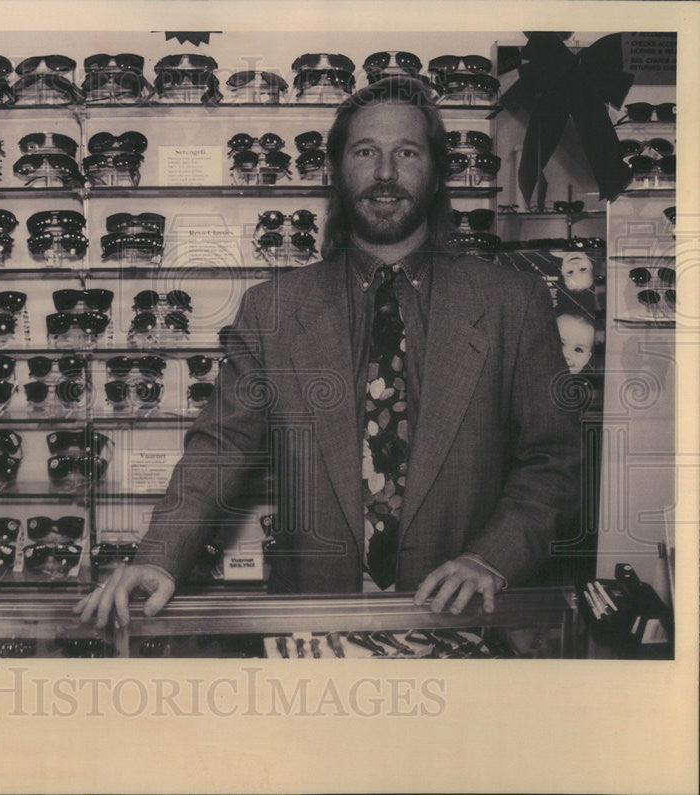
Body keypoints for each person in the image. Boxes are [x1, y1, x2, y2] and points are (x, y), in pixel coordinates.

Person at [77, 76, 581, 629]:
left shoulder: (513, 302)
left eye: (406, 152)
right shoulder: (272, 309)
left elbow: (552, 460)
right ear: (337, 171)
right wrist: (159, 557)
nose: (385, 173)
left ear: (437, 174)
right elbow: (220, 447)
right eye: (365, 151)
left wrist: (492, 556)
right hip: (313, 619)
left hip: (460, 622)